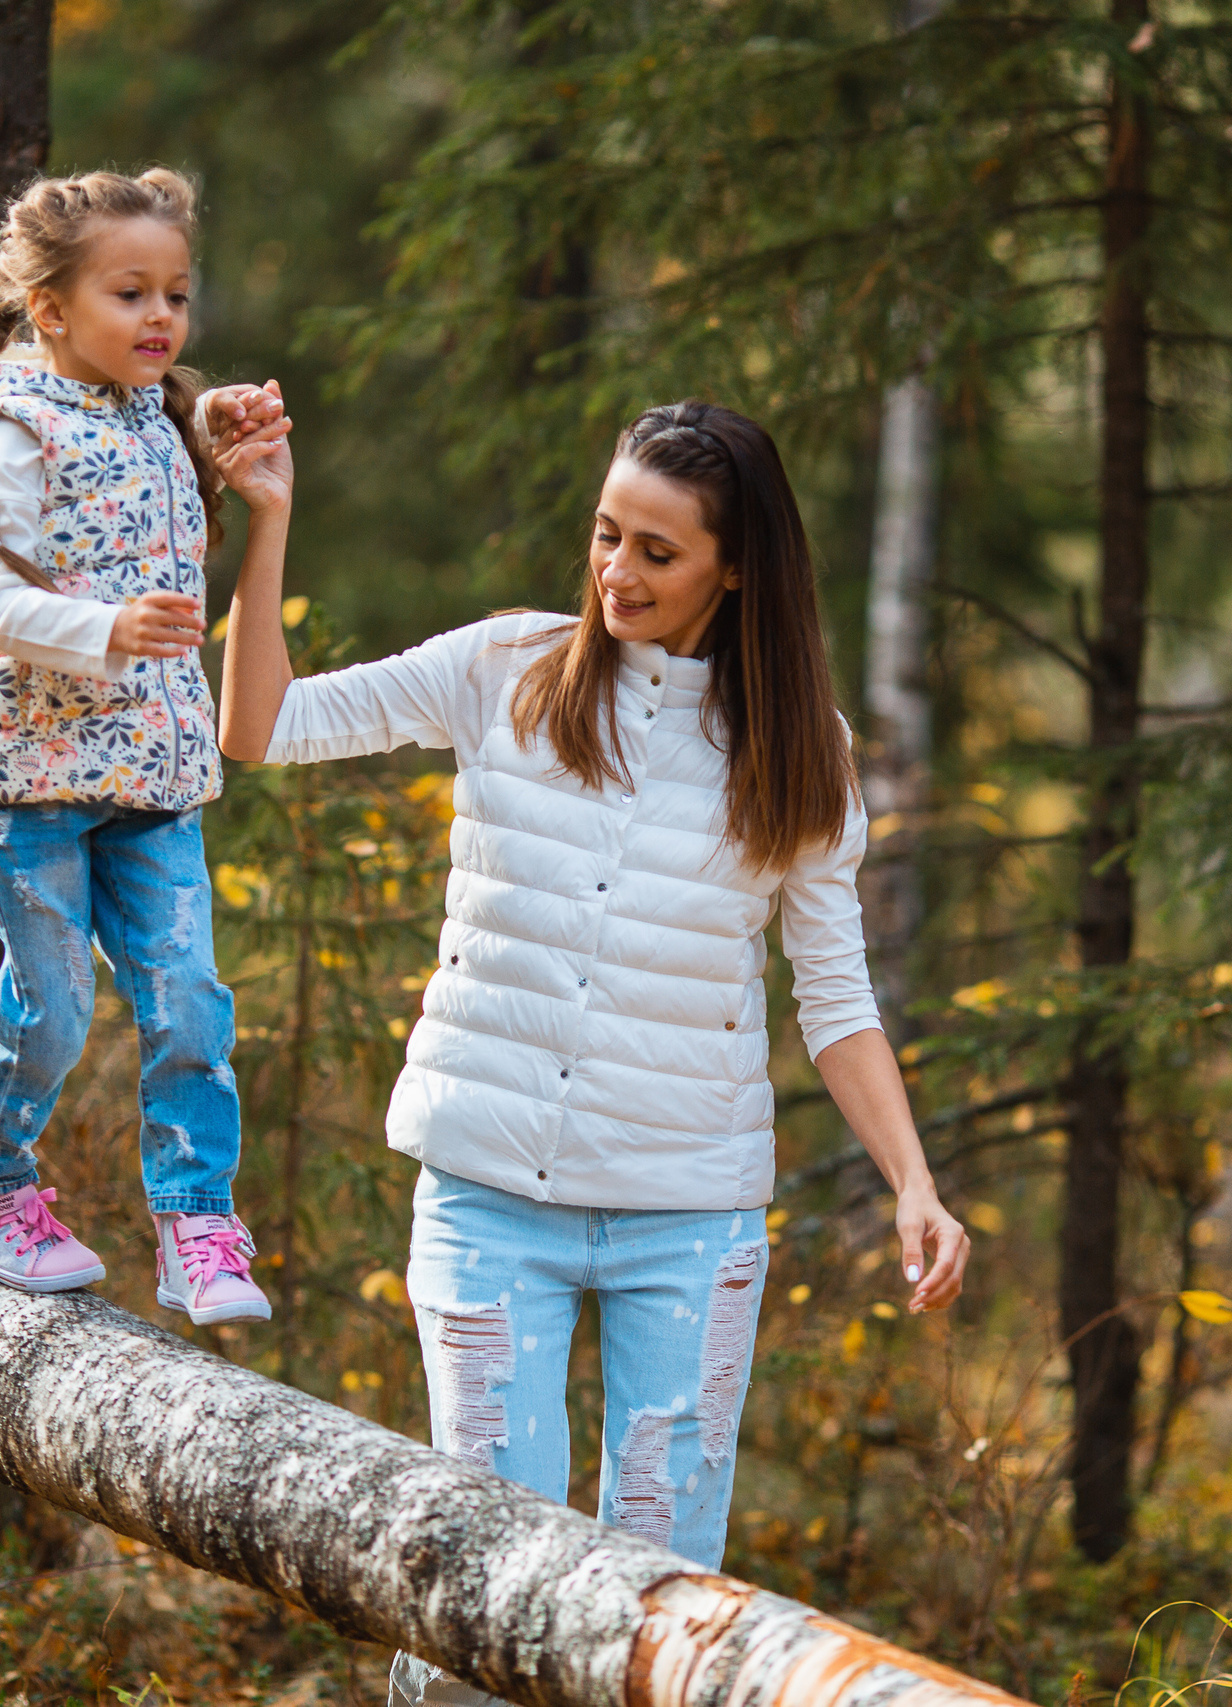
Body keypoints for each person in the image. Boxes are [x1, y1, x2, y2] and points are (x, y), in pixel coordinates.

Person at [205, 391, 971, 1704]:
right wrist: (267, 520)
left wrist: (913, 1180)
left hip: (692, 1217)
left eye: (658, 551)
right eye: (608, 534)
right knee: (476, 1577)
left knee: (660, 1600)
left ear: (737, 567)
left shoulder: (804, 753)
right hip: (486, 1197)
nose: (618, 570)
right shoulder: (503, 667)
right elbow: (263, 726)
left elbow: (836, 1002)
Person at [0, 168, 292, 1325]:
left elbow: (146, 467)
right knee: (51, 1005)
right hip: (27, 788)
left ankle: (197, 1225)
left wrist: (216, 426)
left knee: (189, 1003)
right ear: (51, 310)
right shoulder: (7, 430)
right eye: (129, 293)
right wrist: (110, 629)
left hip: (149, 781)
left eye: (176, 295)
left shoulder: (153, 413)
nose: (162, 317)